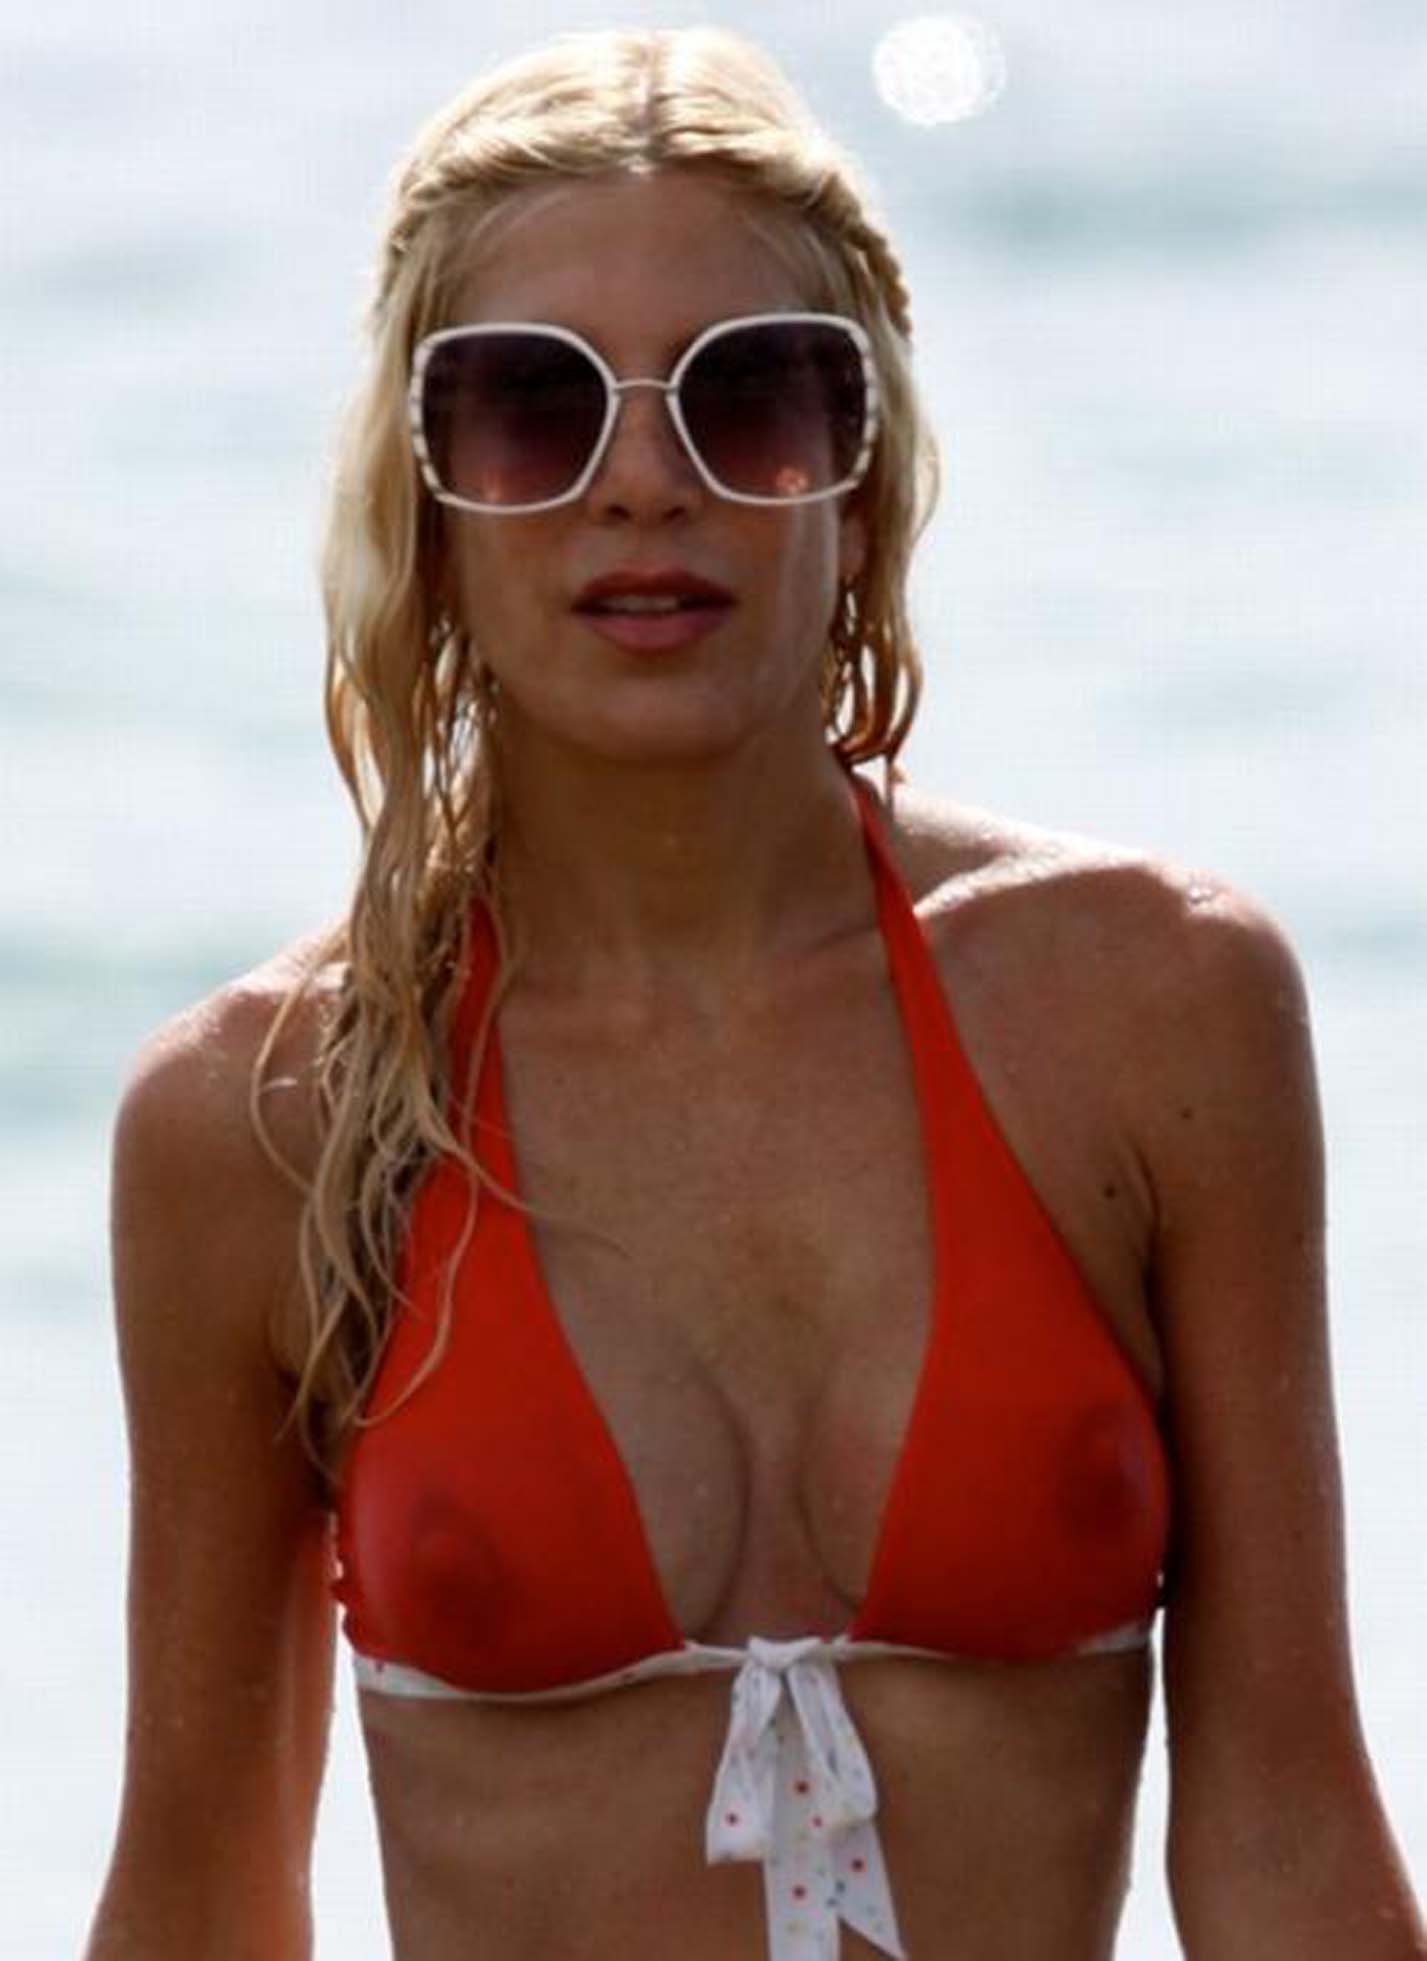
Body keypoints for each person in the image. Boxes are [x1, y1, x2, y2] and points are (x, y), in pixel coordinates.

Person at [87, 26, 1423, 1961]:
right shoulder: (270, 1116)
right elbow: (203, 1897)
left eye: (751, 398)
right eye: (533, 408)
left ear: (859, 484)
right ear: (429, 495)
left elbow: (1289, 1831)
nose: (645, 481)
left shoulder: (1152, 1013)